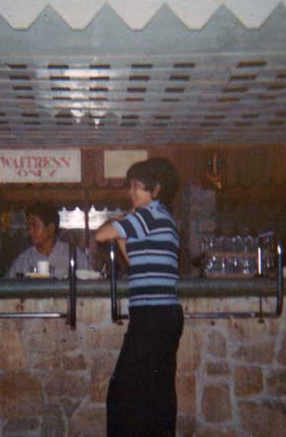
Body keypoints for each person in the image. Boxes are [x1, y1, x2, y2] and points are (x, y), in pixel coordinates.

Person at [95, 157, 184, 437]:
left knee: (122, 395)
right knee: (156, 396)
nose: (130, 192)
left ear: (155, 190)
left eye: (137, 186)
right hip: (162, 317)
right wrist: (123, 233)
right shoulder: (162, 218)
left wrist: (118, 222)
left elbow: (101, 235)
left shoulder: (148, 215)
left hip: (152, 318)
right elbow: (134, 262)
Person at [6, 202, 93, 279]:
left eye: (35, 226)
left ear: (51, 228)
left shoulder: (74, 255)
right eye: (28, 227)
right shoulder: (23, 260)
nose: (30, 231)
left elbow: (92, 286)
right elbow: (6, 291)